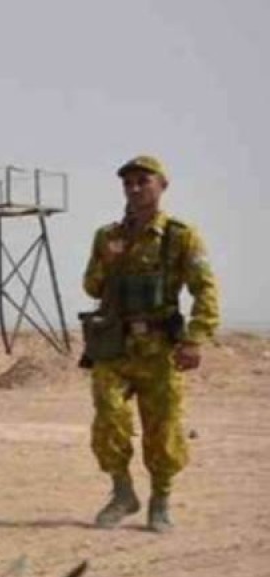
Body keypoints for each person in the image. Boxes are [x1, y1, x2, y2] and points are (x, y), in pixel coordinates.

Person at [82, 155, 219, 533]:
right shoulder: (107, 236)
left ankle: (160, 499)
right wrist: (107, 261)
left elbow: (205, 289)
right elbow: (92, 287)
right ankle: (122, 492)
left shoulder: (179, 235)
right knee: (108, 418)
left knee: (163, 428)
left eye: (143, 181)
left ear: (162, 185)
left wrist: (196, 338)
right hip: (115, 346)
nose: (135, 188)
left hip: (161, 349)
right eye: (129, 183)